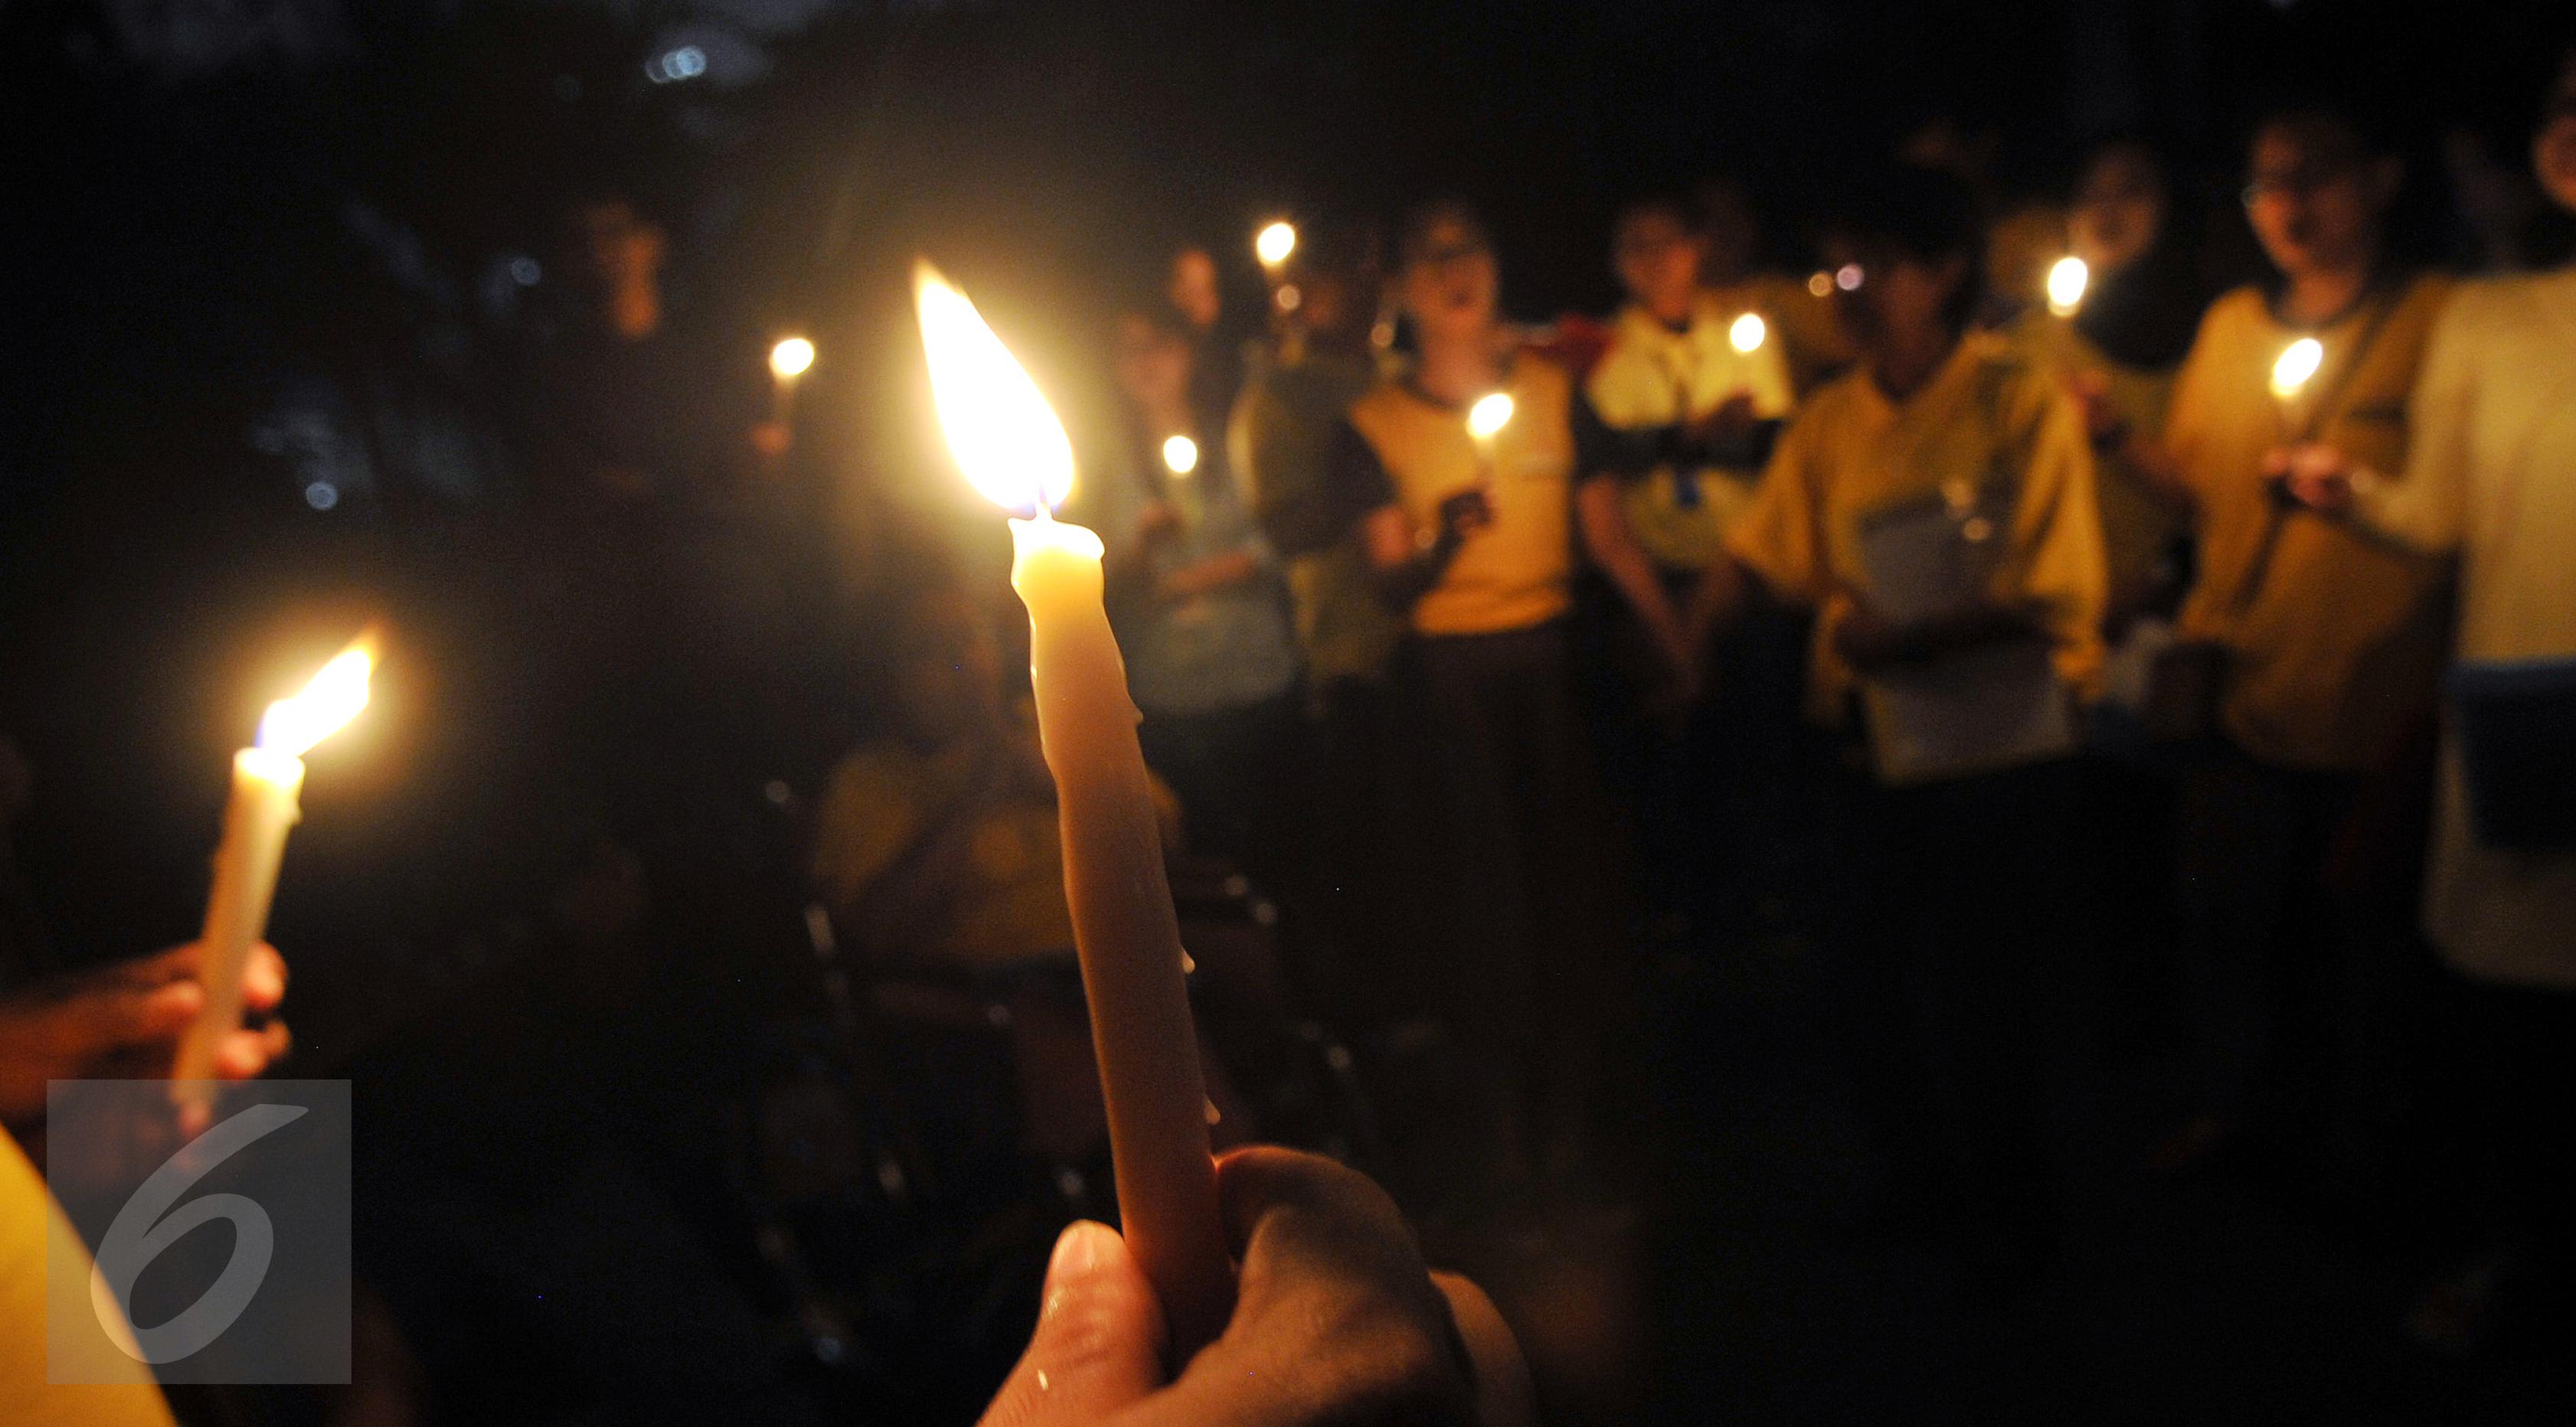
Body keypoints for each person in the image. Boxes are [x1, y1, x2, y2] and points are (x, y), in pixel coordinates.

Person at [1699, 162, 2110, 1276]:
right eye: (1835, 266)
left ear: (1945, 271)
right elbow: (1766, 555)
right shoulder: (1831, 418)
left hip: (1993, 750)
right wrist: (1688, 634)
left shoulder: (2013, 401)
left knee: (1985, 995)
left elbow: (2055, 589)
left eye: (1873, 264)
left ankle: (2015, 1223)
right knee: (1864, 983)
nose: (1847, 288)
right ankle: (1920, 1187)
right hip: (1867, 751)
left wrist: (1913, 640)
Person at [2279, 47, 2576, 1347]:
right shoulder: (2488, 320)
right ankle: (2517, 1254)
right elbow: (2442, 514)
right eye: (2565, 102)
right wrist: (2353, 497)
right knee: (2515, 1029)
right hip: (2527, 726)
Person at [2106, 103, 2454, 1173]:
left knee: (2368, 947)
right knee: (2227, 924)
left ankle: (2368, 1141)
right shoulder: (2229, 331)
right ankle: (2239, 1113)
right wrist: (2115, 438)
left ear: (2384, 179)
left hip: (2382, 699)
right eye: (2265, 184)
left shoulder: (2440, 319)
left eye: (2315, 175)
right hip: (2244, 685)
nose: (2288, 204)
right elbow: (2199, 490)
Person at [1330, 201, 1620, 1194]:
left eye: (1472, 248)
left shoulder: (1553, 391)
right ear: (1403, 290)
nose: (1457, 270)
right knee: (1480, 910)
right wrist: (1445, 540)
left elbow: (1608, 537)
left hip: (1548, 671)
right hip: (1450, 690)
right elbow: (1390, 584)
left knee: (1570, 894)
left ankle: (1581, 1132)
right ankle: (1502, 1145)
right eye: (1431, 255)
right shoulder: (1372, 427)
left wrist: (1677, 639)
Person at [1575, 195, 1806, 932]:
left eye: (1668, 242)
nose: (1656, 260)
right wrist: (1687, 437)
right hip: (1654, 569)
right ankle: (1684, 905)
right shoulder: (1609, 351)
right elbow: (1609, 454)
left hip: (1740, 563)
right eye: (1635, 246)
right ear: (1618, 263)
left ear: (1696, 250)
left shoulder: (1740, 334)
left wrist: (1724, 436)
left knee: (1753, 728)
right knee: (1674, 736)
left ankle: (1764, 895)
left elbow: (1775, 441)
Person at [1230, 219, 1409, 1029]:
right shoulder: (1280, 398)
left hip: (1439, 635)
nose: (1366, 281)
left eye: (1375, 264)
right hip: (1347, 655)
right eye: (1345, 266)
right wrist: (1359, 487)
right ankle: (1375, 1030)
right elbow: (1282, 529)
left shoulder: (1403, 375)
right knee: (1369, 862)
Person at [811, 582, 1178, 974]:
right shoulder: (871, 780)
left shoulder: (1053, 727)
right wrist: (978, 798)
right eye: (928, 650)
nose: (959, 662)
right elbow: (874, 931)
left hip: (1127, 957)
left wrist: (1063, 786)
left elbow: (1167, 832)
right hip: (993, 995)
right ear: (892, 676)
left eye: (968, 637)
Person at [1081, 305, 1300, 877]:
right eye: (1131, 349)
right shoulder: (1105, 461)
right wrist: (1141, 549)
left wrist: (1187, 580)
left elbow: (1277, 540)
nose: (1148, 362)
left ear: (1187, 353)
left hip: (1254, 674)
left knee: (1281, 850)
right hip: (1170, 691)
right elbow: (1087, 573)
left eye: (1160, 343)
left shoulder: (1235, 432)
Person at [1695, 175, 1855, 394]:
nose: (1723, 233)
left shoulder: (1781, 298)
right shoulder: (1675, 313)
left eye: (1733, 219)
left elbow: (1847, 346)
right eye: (1710, 221)